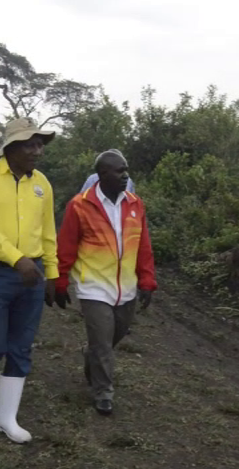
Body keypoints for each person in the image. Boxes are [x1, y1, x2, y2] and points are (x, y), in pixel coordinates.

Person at [0, 117, 59, 444]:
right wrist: (17, 259)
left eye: (40, 145)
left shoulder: (42, 184)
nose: (38, 151)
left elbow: (48, 232)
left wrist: (54, 274)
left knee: (21, 347)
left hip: (33, 275)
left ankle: (6, 418)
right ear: (12, 147)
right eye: (31, 144)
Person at [54, 149, 157, 416]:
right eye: (119, 171)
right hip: (94, 286)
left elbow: (143, 246)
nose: (126, 175)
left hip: (127, 288)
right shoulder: (79, 205)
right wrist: (60, 280)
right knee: (102, 341)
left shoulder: (135, 204)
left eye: (126, 170)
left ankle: (92, 356)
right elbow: (65, 246)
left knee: (112, 337)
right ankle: (103, 392)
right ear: (102, 175)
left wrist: (147, 280)